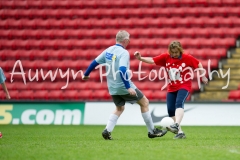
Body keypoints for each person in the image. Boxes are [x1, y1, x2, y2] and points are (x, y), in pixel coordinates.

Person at [82, 30, 167, 140]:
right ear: (126, 40)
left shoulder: (108, 50)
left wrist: (86, 74)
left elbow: (94, 62)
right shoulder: (123, 53)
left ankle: (107, 130)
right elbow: (122, 70)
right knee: (144, 102)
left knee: (119, 108)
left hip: (112, 87)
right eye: (129, 39)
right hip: (123, 85)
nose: (130, 41)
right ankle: (152, 131)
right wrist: (128, 87)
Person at [134, 40, 208, 139]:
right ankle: (180, 133)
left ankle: (176, 124)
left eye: (176, 52)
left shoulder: (187, 58)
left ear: (180, 51)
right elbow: (152, 60)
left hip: (184, 86)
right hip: (171, 88)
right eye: (172, 52)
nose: (174, 54)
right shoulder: (166, 57)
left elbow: (198, 64)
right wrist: (140, 58)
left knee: (179, 103)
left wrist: (203, 76)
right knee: (170, 110)